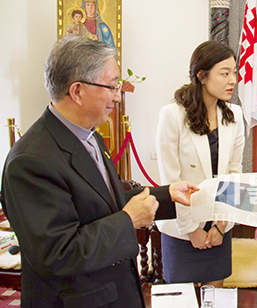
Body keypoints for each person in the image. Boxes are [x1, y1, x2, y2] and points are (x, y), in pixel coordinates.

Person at [0, 36, 198, 308]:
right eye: (112, 86)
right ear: (77, 91)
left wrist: (167, 196)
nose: (118, 96)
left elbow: (105, 198)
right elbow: (58, 253)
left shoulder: (89, 135)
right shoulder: (30, 161)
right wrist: (128, 221)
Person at [155, 40, 244, 287]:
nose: (232, 80)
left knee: (214, 297)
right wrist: (191, 229)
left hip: (219, 222)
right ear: (201, 75)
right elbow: (171, 180)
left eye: (234, 72)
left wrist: (222, 224)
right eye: (224, 73)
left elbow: (234, 173)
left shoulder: (234, 115)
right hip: (181, 225)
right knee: (182, 299)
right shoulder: (172, 115)